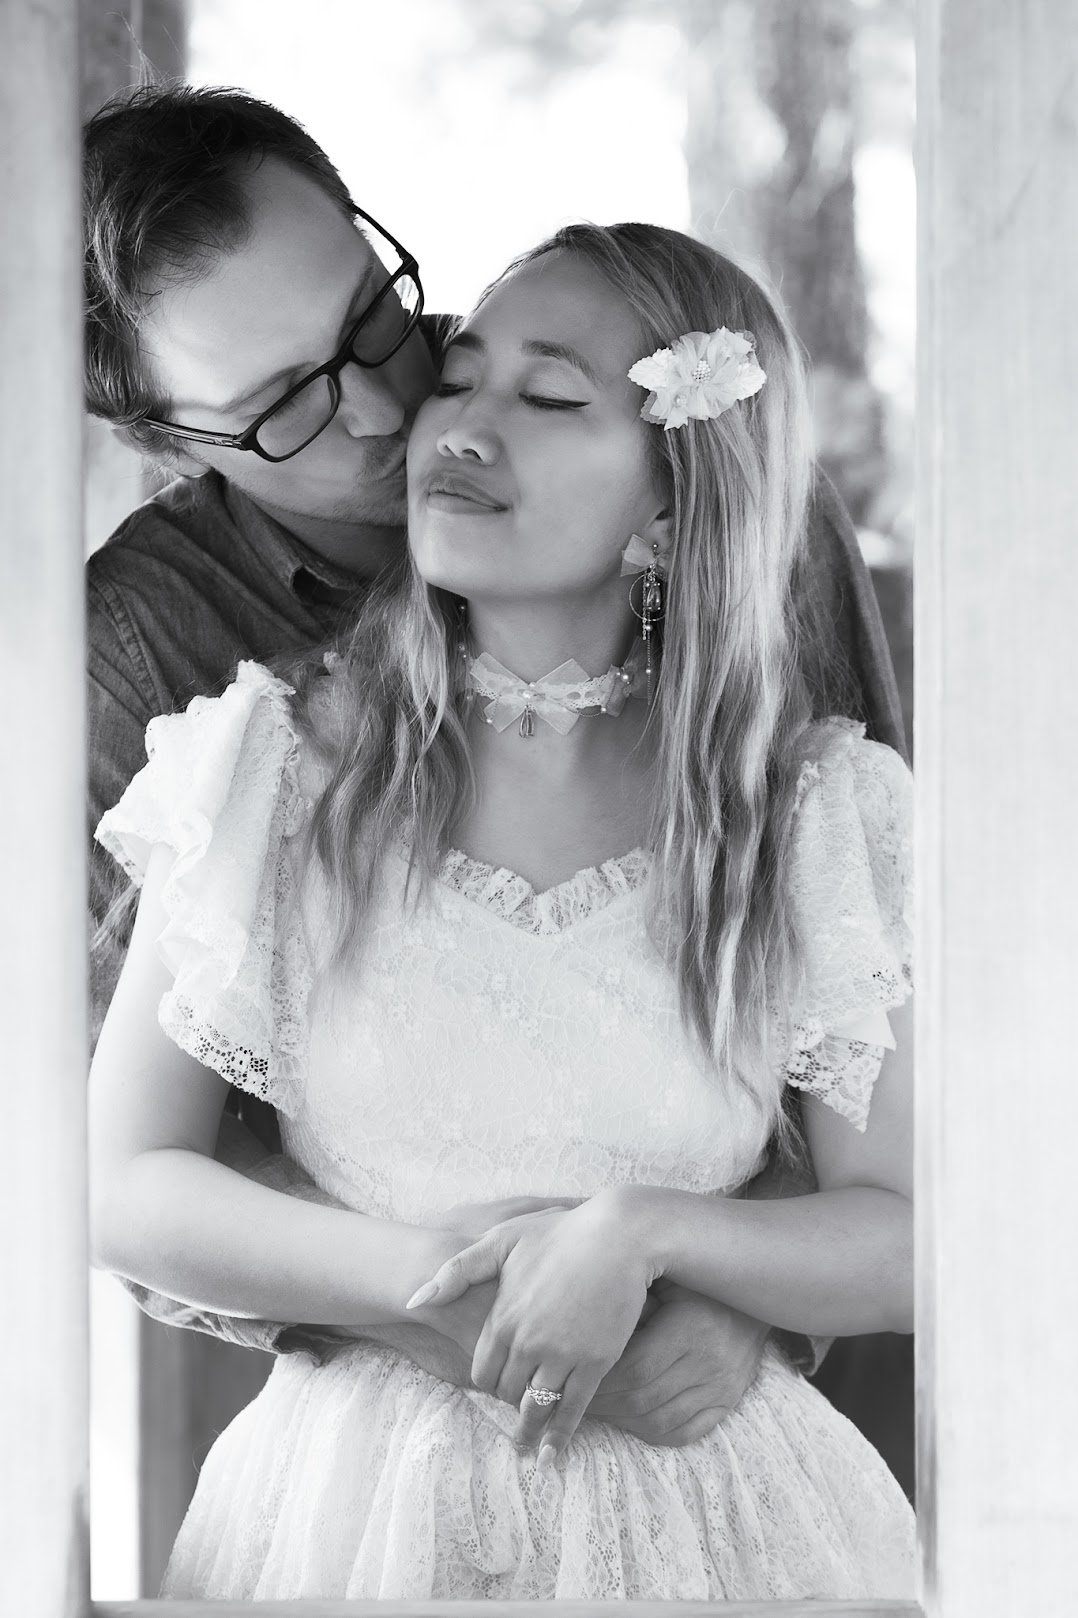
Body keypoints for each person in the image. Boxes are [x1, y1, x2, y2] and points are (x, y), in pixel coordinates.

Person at [84, 87, 909, 1472]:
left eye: (373, 320)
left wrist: (716, 1277)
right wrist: (483, 1310)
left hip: (735, 1420)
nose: (401, 406)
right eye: (285, 403)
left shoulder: (682, 421)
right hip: (380, 1424)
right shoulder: (162, 678)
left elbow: (875, 1015)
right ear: (177, 449)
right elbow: (109, 1166)